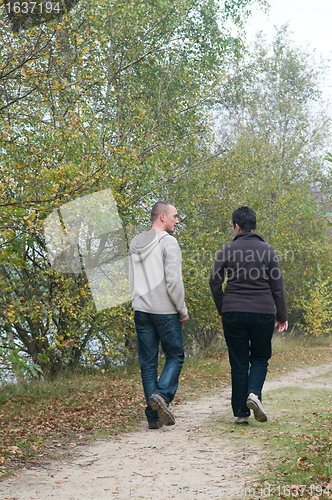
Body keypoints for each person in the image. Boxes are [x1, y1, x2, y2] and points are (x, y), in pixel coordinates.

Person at [209, 206, 288, 425]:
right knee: (260, 357)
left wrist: (222, 308)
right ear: (254, 225)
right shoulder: (268, 250)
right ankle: (254, 394)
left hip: (233, 311)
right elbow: (277, 286)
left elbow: (214, 282)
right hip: (262, 311)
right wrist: (282, 315)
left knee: (239, 362)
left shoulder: (226, 250)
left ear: (236, 226)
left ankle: (241, 413)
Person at [129, 202, 189, 429]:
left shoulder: (136, 243)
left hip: (142, 310)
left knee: (148, 363)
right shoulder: (169, 242)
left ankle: (153, 417)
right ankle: (162, 396)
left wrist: (136, 302)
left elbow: (132, 278)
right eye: (175, 216)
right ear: (162, 216)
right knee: (175, 356)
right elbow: (173, 282)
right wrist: (182, 310)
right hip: (164, 311)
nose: (177, 220)